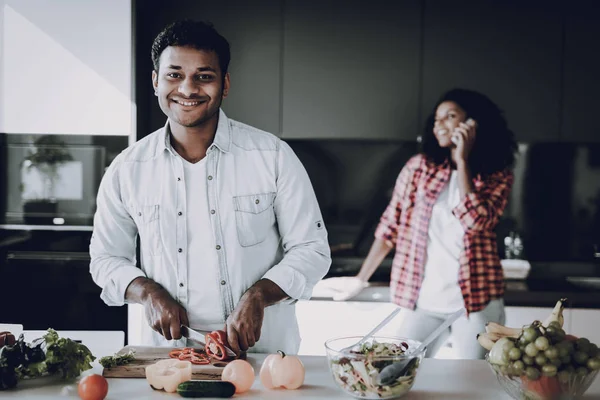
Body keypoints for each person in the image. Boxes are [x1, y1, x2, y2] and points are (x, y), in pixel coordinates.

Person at [89, 19, 331, 355]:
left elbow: (312, 249)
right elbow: (105, 259)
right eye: (174, 75)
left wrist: (259, 295)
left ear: (225, 83)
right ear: (156, 80)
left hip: (263, 357)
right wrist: (147, 292)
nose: (188, 89)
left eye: (204, 76)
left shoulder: (273, 156)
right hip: (167, 357)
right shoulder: (127, 169)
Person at [328, 88, 517, 359]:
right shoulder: (419, 167)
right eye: (437, 118)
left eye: (450, 116)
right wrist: (361, 278)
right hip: (424, 302)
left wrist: (462, 162)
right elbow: (389, 226)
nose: (439, 124)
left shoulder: (497, 175)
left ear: (472, 124)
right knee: (398, 369)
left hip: (476, 303)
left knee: (474, 382)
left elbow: (477, 222)